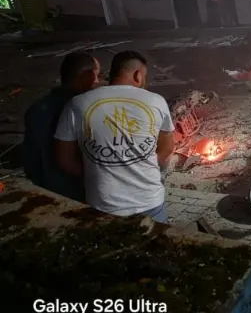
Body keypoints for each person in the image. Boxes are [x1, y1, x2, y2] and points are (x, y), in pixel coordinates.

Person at [53, 50, 174, 223]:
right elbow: (167, 148)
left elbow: (64, 160)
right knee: (159, 247)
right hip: (149, 202)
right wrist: (142, 165)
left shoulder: (77, 104)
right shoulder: (156, 101)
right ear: (138, 75)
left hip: (102, 205)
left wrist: (95, 172)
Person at [23, 52, 100, 202]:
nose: (97, 82)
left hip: (45, 193)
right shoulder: (85, 111)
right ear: (86, 77)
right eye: (96, 76)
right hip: (79, 195)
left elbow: (30, 160)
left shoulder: (36, 109)